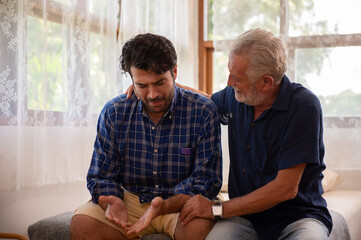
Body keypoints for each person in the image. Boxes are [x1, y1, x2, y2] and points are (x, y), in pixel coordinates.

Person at [174, 28, 333, 239]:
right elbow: (204, 101)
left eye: (237, 78)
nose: (230, 82)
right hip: (245, 216)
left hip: (298, 216)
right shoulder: (237, 96)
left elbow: (285, 189)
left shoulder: (304, 106)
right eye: (230, 73)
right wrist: (165, 87)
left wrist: (216, 209)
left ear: (266, 82)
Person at [70, 33, 223, 240]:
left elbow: (207, 181)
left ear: (175, 72)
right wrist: (112, 200)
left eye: (160, 82)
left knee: (198, 231)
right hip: (130, 199)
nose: (152, 94)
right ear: (132, 80)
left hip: (181, 202)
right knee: (83, 224)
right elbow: (101, 175)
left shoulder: (203, 111)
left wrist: (164, 205)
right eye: (142, 85)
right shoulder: (114, 112)